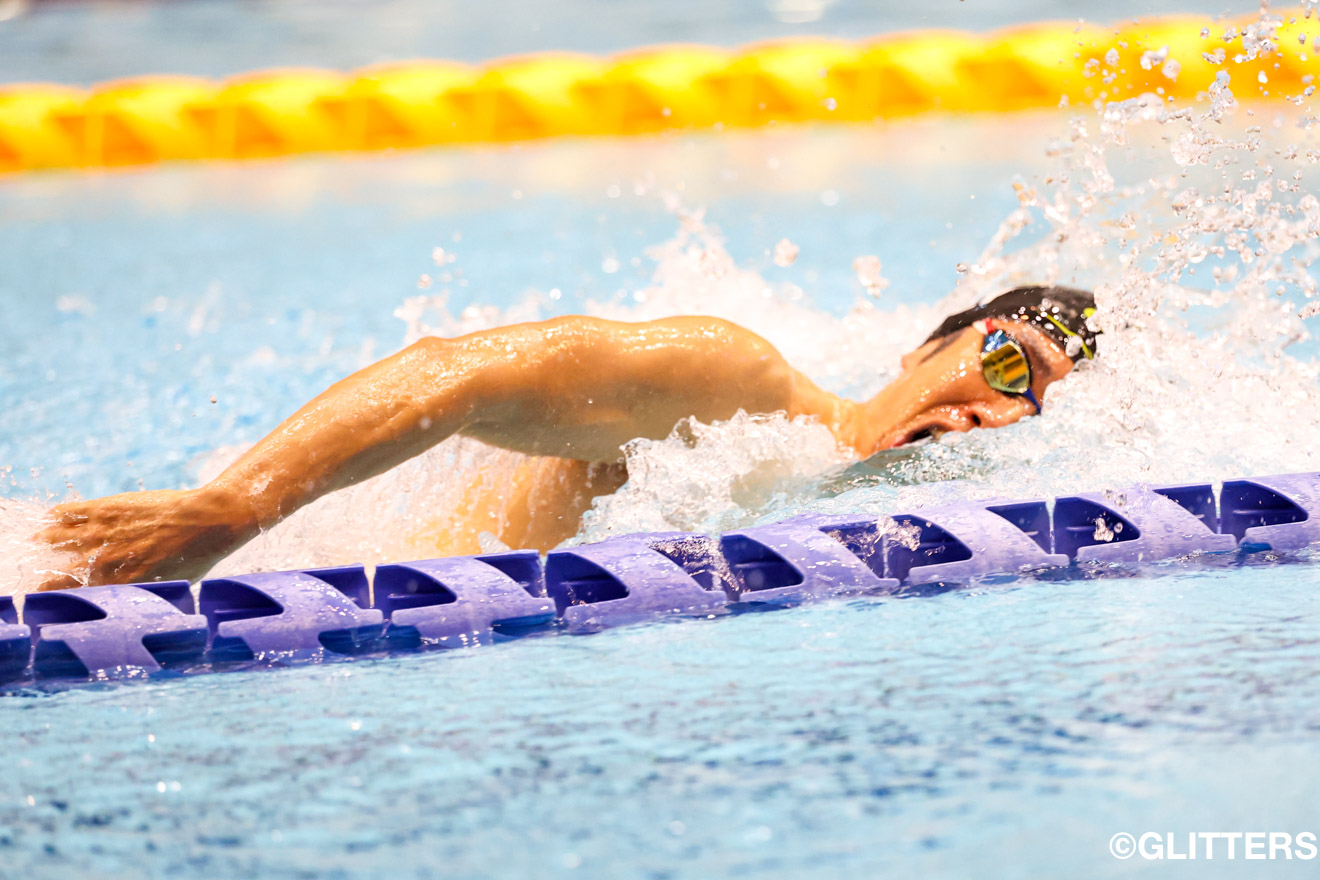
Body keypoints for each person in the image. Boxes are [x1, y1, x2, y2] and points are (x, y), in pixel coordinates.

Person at [36, 285, 1099, 590]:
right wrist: (239, 506)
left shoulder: (871, 522)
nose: (1001, 409)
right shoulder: (738, 382)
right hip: (270, 568)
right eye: (1009, 364)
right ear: (937, 341)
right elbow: (453, 372)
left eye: (1034, 403)